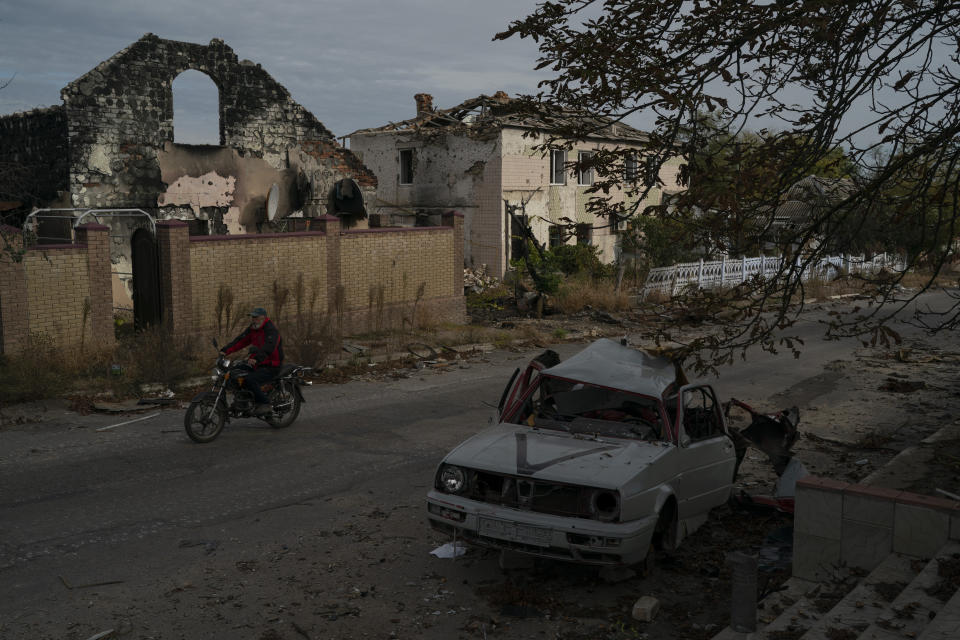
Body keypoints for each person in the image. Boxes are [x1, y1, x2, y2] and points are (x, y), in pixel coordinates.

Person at [222, 307, 283, 416]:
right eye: (252, 317)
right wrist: (225, 351)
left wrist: (257, 358)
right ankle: (243, 401)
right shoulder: (253, 329)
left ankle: (265, 403)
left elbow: (269, 347)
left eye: (256, 317)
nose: (253, 319)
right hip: (256, 363)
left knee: (250, 379)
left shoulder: (271, 330)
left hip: (271, 365)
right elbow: (240, 341)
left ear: (263, 317)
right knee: (234, 372)